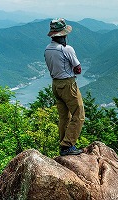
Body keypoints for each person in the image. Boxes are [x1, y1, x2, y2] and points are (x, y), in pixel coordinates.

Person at [44, 18, 85, 156]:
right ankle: (68, 145)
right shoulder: (66, 49)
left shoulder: (47, 49)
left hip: (55, 85)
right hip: (68, 85)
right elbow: (78, 69)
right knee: (79, 114)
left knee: (64, 117)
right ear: (62, 35)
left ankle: (63, 145)